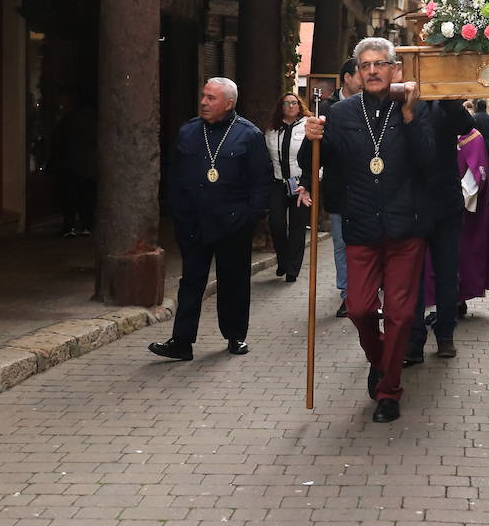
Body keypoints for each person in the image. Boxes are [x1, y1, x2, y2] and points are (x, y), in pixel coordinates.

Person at [301, 38, 434, 423]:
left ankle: (389, 390)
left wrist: (409, 117)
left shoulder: (416, 109)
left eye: (381, 64)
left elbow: (428, 162)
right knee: (359, 308)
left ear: (396, 69)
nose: (373, 71)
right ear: (357, 73)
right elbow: (310, 160)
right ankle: (380, 360)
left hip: (405, 227)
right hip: (360, 226)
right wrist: (310, 137)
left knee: (400, 314)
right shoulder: (339, 113)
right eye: (366, 65)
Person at [149, 78, 271, 361]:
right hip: (194, 223)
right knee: (191, 283)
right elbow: (176, 175)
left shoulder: (248, 135)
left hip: (233, 224)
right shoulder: (189, 131)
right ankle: (181, 342)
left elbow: (261, 182)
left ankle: (235, 335)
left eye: (211, 98)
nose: (204, 102)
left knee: (234, 283)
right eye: (203, 96)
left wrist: (249, 219)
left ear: (228, 104)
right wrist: (178, 212)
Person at [405, 99, 476, 366]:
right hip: (414, 203)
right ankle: (414, 339)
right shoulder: (408, 102)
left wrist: (450, 99)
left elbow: (467, 124)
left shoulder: (445, 104)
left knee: (447, 274)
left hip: (446, 203)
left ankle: (446, 335)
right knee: (414, 276)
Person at [424, 128, 489, 317]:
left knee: (459, 256)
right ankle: (439, 303)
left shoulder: (473, 138)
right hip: (432, 206)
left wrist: (457, 200)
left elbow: (477, 173)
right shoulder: (428, 128)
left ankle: (455, 301)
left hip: (460, 211)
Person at [321, 58, 364, 316]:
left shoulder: (373, 104)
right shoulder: (327, 108)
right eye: (361, 73)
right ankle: (347, 294)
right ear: (347, 78)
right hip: (338, 187)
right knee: (340, 244)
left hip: (368, 188)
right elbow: (316, 152)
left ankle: (368, 288)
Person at [265, 92, 311, 284]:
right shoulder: (272, 129)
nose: (291, 106)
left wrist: (312, 180)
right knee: (276, 223)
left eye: (294, 103)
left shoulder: (308, 125)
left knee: (297, 227)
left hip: (301, 184)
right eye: (287, 103)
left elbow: (317, 155)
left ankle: (292, 268)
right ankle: (283, 260)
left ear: (299, 106)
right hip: (278, 183)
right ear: (281, 107)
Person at [47, 88, 96, 237]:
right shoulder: (96, 120)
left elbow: (57, 138)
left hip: (71, 165)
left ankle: (69, 227)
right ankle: (87, 225)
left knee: (70, 196)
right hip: (91, 166)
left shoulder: (70, 118)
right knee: (87, 197)